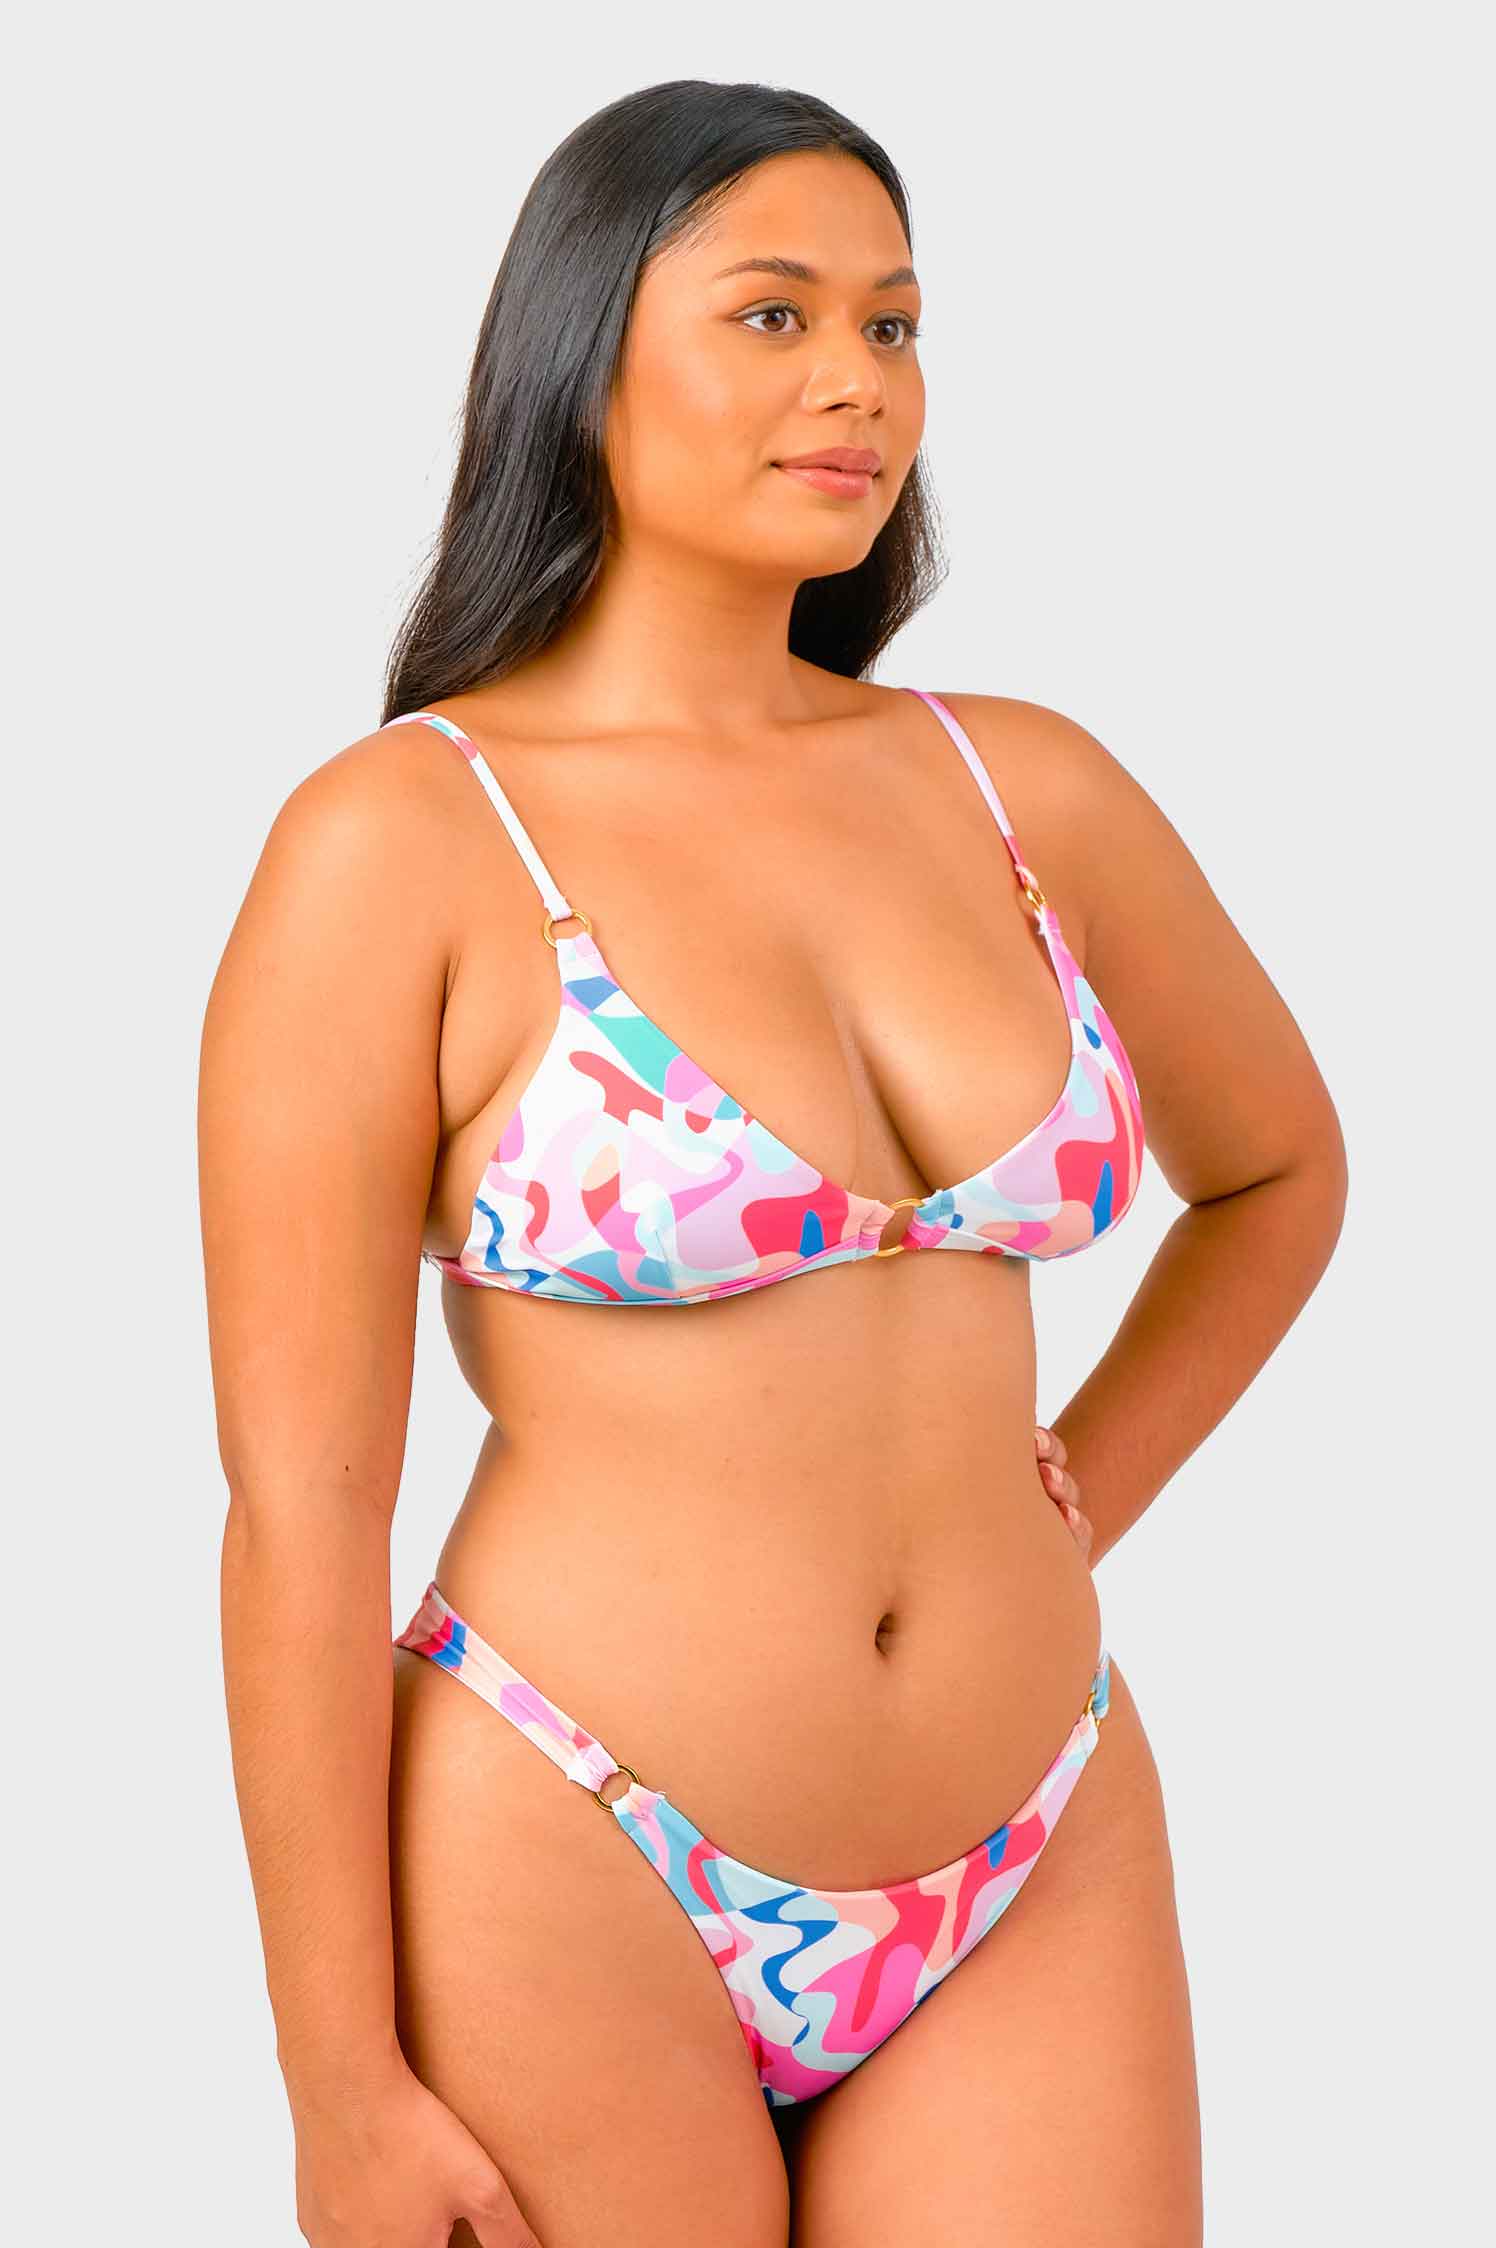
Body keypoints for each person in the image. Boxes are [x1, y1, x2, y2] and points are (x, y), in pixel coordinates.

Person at [198, 79, 1347, 2248]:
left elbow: (1280, 1173)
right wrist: (334, 2082)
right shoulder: (400, 840)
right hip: (570, 1839)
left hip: (1033, 1827)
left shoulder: (1023, 787)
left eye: (894, 325)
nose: (857, 381)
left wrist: (1082, 1485)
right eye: (774, 314)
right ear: (582, 355)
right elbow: (302, 1511)